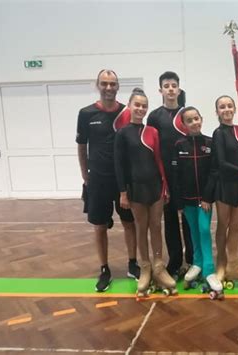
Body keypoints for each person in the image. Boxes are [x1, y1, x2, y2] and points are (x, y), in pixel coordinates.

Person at [76, 69, 139, 292]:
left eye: (113, 84)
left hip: (124, 181)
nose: (109, 88)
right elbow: (82, 147)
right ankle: (104, 269)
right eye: (105, 83)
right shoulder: (86, 114)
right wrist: (86, 176)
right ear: (98, 85)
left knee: (129, 223)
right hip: (98, 180)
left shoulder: (127, 113)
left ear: (118, 86)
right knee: (100, 226)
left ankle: (133, 263)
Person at [114, 88, 176, 296]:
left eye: (143, 106)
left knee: (156, 226)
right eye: (137, 105)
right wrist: (123, 192)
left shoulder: (153, 132)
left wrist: (165, 185)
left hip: (155, 187)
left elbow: (159, 160)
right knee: (141, 227)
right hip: (135, 189)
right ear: (130, 106)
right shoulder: (122, 134)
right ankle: (146, 268)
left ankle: (159, 266)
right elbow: (119, 165)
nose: (140, 109)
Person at [171, 106, 223, 296]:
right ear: (184, 124)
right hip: (186, 200)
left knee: (203, 230)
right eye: (189, 120)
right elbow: (175, 176)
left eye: (196, 119)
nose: (194, 123)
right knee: (193, 231)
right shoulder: (179, 145)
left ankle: (209, 269)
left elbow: (214, 171)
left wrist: (208, 197)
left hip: (205, 200)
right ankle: (197, 263)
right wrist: (178, 203)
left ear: (201, 119)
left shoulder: (210, 143)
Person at [146, 71, 193, 279]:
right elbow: (150, 147)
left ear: (179, 89)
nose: (171, 89)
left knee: (189, 221)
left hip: (187, 177)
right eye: (167, 86)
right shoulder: (154, 117)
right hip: (165, 177)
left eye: (174, 85)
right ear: (161, 90)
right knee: (171, 221)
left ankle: (193, 262)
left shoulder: (187, 114)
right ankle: (174, 262)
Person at [211, 95, 238, 286]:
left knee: (236, 227)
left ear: (235, 109)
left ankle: (234, 264)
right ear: (217, 112)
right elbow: (221, 163)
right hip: (224, 186)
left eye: (230, 106)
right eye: (222, 107)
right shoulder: (218, 133)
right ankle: (221, 263)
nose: (227, 109)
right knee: (223, 225)